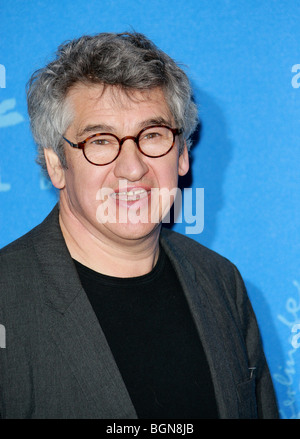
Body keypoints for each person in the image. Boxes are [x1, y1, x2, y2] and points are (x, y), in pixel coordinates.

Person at [0, 32, 278, 419]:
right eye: (100, 141)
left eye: (152, 135)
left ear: (182, 154)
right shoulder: (6, 297)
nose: (132, 168)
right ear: (55, 164)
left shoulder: (221, 282)